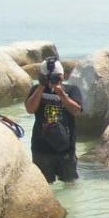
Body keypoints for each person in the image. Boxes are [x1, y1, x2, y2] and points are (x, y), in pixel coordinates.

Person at [25, 56, 83, 184]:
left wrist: (60, 92)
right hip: (41, 149)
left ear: (62, 76)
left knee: (70, 184)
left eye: (57, 77)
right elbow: (30, 109)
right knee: (43, 186)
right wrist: (41, 86)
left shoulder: (72, 90)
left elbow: (76, 111)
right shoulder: (36, 90)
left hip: (66, 149)